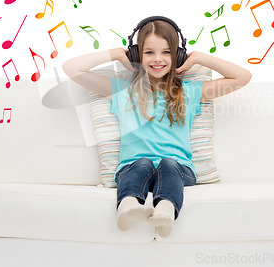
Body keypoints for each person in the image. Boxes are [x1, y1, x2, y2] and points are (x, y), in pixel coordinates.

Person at [62, 16, 251, 237]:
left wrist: (198, 57)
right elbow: (71, 69)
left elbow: (242, 77)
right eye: (148, 52)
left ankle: (166, 210)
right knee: (141, 164)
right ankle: (128, 205)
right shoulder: (122, 90)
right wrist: (115, 54)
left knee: (168, 164)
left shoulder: (189, 91)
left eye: (167, 52)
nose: (157, 59)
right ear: (136, 55)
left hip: (179, 170)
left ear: (178, 56)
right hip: (132, 167)